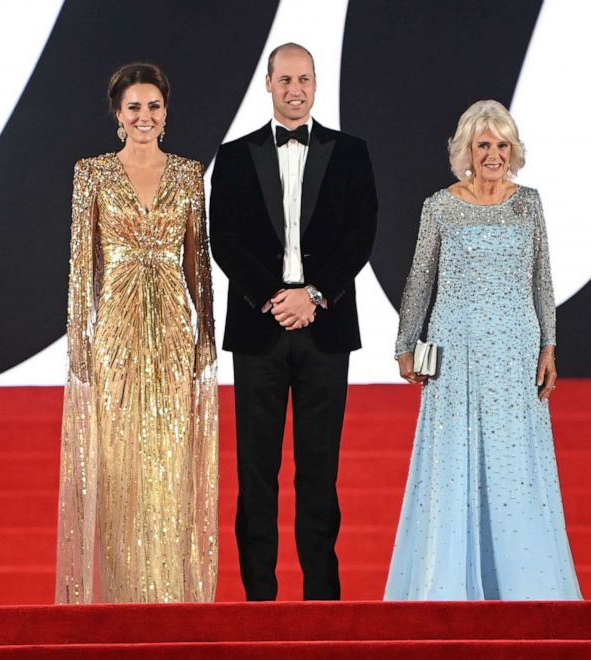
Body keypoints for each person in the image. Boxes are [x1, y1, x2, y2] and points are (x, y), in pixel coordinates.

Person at [384, 100, 581, 600]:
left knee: (516, 465)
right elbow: (420, 279)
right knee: (454, 462)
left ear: (513, 151)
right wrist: (406, 343)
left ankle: (523, 586)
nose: (493, 154)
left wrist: (549, 346)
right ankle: (446, 585)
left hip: (516, 352)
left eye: (502, 145)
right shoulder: (440, 205)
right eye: (483, 145)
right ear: (467, 150)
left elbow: (543, 280)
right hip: (456, 352)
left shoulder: (528, 202)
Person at [209, 43, 378, 601]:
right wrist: (272, 298)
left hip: (325, 330)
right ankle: (259, 599)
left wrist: (314, 295)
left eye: (304, 79)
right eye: (285, 79)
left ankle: (321, 598)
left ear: (315, 83)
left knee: (319, 471)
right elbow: (224, 241)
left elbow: (361, 233)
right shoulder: (234, 156)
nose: (295, 89)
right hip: (259, 331)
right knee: (255, 472)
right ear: (267, 83)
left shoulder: (351, 152)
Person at [56, 63, 219, 603]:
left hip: (173, 327)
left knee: (169, 461)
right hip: (117, 332)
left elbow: (199, 263)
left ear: (166, 113)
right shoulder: (92, 174)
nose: (144, 116)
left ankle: (170, 595)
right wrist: (79, 338)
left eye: (153, 107)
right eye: (134, 107)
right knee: (119, 465)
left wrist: (205, 337)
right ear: (118, 115)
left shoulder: (189, 174)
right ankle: (124, 597)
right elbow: (82, 265)